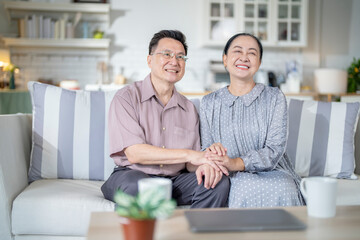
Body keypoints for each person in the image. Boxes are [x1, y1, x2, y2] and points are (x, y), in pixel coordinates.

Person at [101, 30, 230, 208]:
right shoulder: (126, 97)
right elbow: (135, 153)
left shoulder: (189, 109)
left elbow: (190, 165)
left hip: (174, 181)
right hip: (132, 175)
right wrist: (191, 155)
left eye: (180, 57)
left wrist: (204, 165)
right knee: (137, 186)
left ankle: (192, 233)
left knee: (216, 183)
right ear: (149, 60)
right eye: (167, 54)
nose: (174, 61)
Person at [200, 33, 305, 208]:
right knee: (242, 188)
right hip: (229, 174)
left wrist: (236, 162)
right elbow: (205, 148)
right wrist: (215, 156)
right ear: (225, 59)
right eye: (237, 51)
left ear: (259, 63)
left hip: (274, 171)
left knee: (284, 187)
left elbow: (275, 148)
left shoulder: (274, 97)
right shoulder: (209, 103)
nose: (244, 57)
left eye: (252, 53)